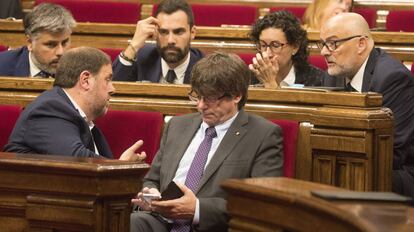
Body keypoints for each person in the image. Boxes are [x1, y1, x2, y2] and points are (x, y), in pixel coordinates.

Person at [130, 52, 283, 232]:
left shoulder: (263, 135)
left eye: (210, 98)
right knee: (132, 221)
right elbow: (152, 180)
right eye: (197, 96)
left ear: (236, 96)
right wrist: (150, 197)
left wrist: (198, 209)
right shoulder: (177, 125)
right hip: (162, 222)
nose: (200, 106)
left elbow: (262, 205)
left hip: (212, 226)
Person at [319, 13, 414, 197]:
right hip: (353, 161)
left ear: (361, 44)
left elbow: (393, 152)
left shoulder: (392, 78)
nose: (323, 51)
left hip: (399, 173)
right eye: (322, 44)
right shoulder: (332, 75)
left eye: (333, 43)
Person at [4, 47, 146, 162]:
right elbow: (75, 158)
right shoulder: (50, 108)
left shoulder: (75, 115)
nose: (112, 89)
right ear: (85, 80)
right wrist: (120, 168)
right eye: (107, 80)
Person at [113, 0, 203, 84]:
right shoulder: (143, 57)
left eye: (178, 32)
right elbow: (111, 89)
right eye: (163, 32)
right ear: (155, 32)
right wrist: (133, 46)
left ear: (192, 33)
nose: (170, 40)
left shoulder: (203, 68)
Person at [249, 10, 325, 88]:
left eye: (275, 45)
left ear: (295, 47)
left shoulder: (317, 80)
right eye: (263, 45)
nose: (268, 54)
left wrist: (270, 83)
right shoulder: (249, 78)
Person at [0, 3, 75, 78]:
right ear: (30, 43)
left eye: (65, 43)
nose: (60, 52)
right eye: (51, 45)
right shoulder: (2, 66)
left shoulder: (80, 70)